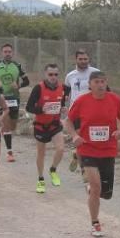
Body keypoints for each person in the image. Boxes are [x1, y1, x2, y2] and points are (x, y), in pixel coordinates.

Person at [63, 71, 120, 236]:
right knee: (96, 187)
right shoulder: (82, 101)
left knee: (105, 194)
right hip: (87, 148)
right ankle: (95, 223)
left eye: (103, 82)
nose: (100, 85)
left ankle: (90, 185)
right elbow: (68, 121)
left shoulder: (115, 100)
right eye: (97, 82)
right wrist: (75, 136)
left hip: (108, 149)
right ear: (90, 85)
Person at [25, 63, 68, 193]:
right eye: (50, 74)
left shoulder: (63, 88)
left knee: (60, 149)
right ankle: (40, 179)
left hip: (55, 125)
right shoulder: (38, 88)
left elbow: (61, 104)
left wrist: (63, 109)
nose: (53, 77)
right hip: (40, 126)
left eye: (56, 74)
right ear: (45, 74)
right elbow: (29, 107)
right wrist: (41, 109)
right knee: (41, 154)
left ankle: (53, 170)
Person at [0, 43, 30, 162]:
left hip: (14, 98)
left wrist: (19, 85)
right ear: (2, 53)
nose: (7, 54)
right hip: (1, 98)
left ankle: (4, 129)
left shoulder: (17, 65)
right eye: (5, 51)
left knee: (13, 125)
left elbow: (27, 81)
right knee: (7, 125)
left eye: (9, 52)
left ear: (12, 53)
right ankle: (10, 152)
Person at [64, 50, 100, 172]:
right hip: (76, 112)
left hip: (93, 111)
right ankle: (84, 169)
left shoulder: (95, 73)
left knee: (92, 139)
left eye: (86, 59)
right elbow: (66, 92)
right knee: (81, 140)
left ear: (89, 60)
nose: (83, 61)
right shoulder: (70, 76)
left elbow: (105, 90)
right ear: (76, 60)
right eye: (81, 59)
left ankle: (78, 155)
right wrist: (63, 104)